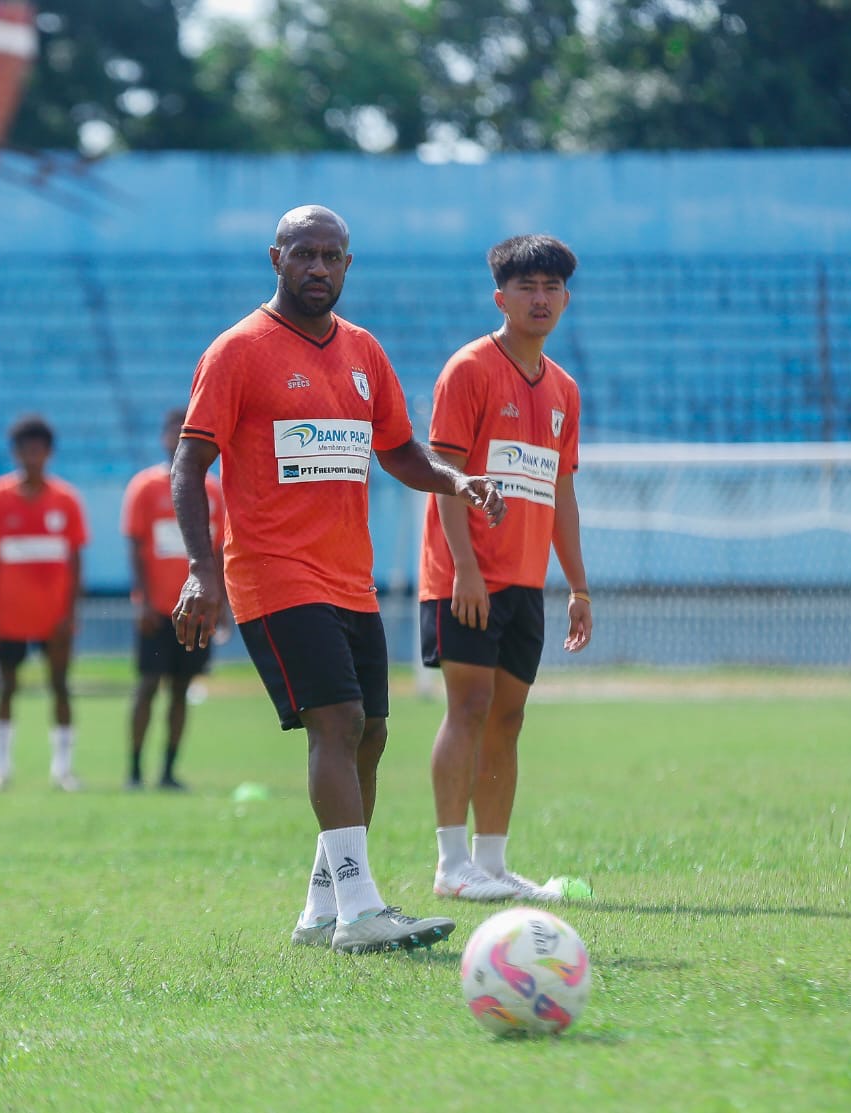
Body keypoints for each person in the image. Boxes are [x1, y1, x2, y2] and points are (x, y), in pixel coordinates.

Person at [169, 204, 506, 955]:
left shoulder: (363, 351)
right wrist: (200, 568)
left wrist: (456, 480)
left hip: (350, 578)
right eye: (304, 253)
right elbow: (190, 464)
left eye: (331, 256)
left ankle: (321, 912)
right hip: (273, 572)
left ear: (348, 265)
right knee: (338, 723)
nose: (318, 267)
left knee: (371, 734)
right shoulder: (237, 351)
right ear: (276, 258)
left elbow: (400, 450)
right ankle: (360, 910)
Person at [420, 234, 593, 902]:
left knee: (509, 718)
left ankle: (492, 864)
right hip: (466, 578)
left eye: (552, 287)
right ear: (501, 298)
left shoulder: (564, 389)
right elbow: (444, 476)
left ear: (566, 298)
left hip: (525, 582)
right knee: (468, 706)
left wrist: (577, 585)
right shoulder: (469, 369)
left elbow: (561, 492)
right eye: (527, 287)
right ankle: (450, 864)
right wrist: (463, 568)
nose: (540, 299)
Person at [0, 415, 89, 793]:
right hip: (8, 616)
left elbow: (75, 561)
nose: (32, 457)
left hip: (53, 618)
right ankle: (0, 771)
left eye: (38, 450)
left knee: (60, 686)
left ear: (49, 453)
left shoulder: (66, 500)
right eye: (26, 450)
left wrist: (70, 613)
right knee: (5, 687)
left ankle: (63, 771)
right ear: (16, 453)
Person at [121, 407, 225, 791]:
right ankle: (134, 771)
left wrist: (222, 603)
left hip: (196, 610)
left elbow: (219, 551)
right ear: (165, 437)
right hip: (158, 609)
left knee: (182, 689)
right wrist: (143, 601)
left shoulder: (213, 491)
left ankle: (167, 771)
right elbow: (135, 547)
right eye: (173, 432)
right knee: (147, 686)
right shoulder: (145, 487)